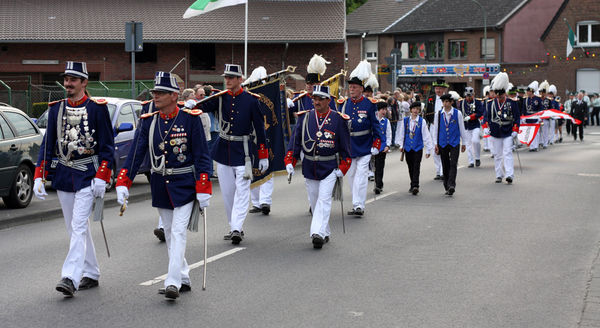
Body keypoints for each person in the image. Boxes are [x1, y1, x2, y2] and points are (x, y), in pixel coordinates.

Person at [115, 71, 212, 300]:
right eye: (154, 92)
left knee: (178, 231)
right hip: (160, 183)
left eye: (160, 93)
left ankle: (172, 282)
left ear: (174, 95)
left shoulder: (190, 119)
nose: (155, 96)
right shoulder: (149, 122)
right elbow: (136, 155)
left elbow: (202, 156)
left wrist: (204, 185)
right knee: (169, 232)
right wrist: (123, 181)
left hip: (185, 184)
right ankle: (184, 276)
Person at [34, 61, 114, 297]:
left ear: (84, 83)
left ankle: (70, 276)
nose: (68, 84)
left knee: (78, 225)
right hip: (64, 175)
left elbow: (107, 147)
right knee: (74, 227)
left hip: (88, 175)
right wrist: (40, 175)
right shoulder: (56, 108)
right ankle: (91, 271)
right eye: (66, 79)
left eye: (73, 80)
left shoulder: (97, 108)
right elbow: (48, 145)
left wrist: (102, 176)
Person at [195, 64, 268, 244]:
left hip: (243, 153)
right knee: (228, 193)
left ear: (240, 79)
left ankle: (236, 227)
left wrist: (263, 154)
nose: (227, 80)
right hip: (223, 151)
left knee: (242, 191)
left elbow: (260, 129)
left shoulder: (252, 100)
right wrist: (189, 105)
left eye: (231, 77)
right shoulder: (220, 98)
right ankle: (234, 226)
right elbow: (200, 108)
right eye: (226, 77)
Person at [284, 85, 351, 248]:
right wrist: (289, 162)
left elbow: (346, 148)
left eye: (320, 98)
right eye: (314, 98)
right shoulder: (304, 118)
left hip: (329, 167)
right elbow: (295, 143)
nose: (316, 102)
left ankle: (317, 233)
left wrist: (343, 168)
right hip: (310, 166)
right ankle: (325, 230)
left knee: (324, 199)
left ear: (328, 100)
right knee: (314, 201)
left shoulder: (338, 119)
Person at [336, 60, 384, 217]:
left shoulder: (369, 104)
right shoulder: (344, 104)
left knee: (361, 177)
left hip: (364, 146)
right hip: (349, 148)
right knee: (351, 177)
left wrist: (377, 144)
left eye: (354, 87)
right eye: (350, 87)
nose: (351, 89)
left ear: (361, 89)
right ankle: (356, 202)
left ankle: (358, 205)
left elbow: (376, 126)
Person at [482, 72, 520, 184]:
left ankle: (509, 175)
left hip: (508, 132)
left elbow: (517, 118)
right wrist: (485, 127)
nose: (499, 98)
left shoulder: (512, 103)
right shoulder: (490, 103)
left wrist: (515, 130)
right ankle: (499, 174)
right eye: (497, 96)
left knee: (507, 153)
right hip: (495, 132)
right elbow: (486, 117)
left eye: (501, 96)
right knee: (497, 155)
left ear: (505, 94)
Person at [431, 94, 467, 196]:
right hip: (442, 142)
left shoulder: (457, 113)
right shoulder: (438, 114)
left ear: (451, 102)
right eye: (444, 102)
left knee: (453, 163)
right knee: (445, 164)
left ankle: (451, 185)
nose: (445, 104)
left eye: (447, 102)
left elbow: (462, 128)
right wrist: (435, 143)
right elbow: (436, 129)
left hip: (454, 142)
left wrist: (464, 142)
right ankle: (446, 185)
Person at [396, 101, 433, 195]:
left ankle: (415, 185)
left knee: (416, 166)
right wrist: (401, 145)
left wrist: (428, 149)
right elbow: (401, 133)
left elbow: (426, 135)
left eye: (418, 109)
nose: (416, 111)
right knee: (410, 166)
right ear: (410, 110)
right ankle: (412, 184)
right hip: (408, 147)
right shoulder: (405, 120)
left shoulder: (422, 121)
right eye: (414, 109)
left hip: (418, 147)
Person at [424, 79, 448, 180]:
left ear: (444, 89)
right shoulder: (430, 98)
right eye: (436, 88)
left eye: (440, 88)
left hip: (444, 127)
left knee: (443, 147)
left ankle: (443, 171)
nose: (438, 90)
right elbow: (426, 111)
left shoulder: (448, 99)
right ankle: (438, 171)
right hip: (433, 126)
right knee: (434, 148)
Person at [457, 87, 484, 167]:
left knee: (475, 141)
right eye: (467, 96)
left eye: (470, 96)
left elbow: (480, 112)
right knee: (468, 144)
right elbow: (459, 112)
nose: (469, 97)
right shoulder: (461, 102)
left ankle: (477, 158)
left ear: (473, 95)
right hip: (466, 126)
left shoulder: (478, 102)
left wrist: (472, 116)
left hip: (475, 124)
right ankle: (471, 161)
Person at [373, 101, 391, 194]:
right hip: (372, 147)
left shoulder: (386, 122)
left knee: (380, 167)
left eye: (385, 109)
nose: (384, 111)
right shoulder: (373, 120)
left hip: (382, 147)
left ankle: (378, 185)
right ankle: (376, 181)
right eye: (382, 109)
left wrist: (387, 145)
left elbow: (389, 135)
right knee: (373, 167)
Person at [522, 81, 543, 151]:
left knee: (536, 133)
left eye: (528, 91)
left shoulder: (538, 99)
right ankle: (531, 146)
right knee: (530, 133)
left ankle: (535, 146)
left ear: (532, 92)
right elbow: (524, 109)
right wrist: (524, 117)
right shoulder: (525, 99)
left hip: (535, 117)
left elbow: (541, 108)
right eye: (527, 91)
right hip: (528, 117)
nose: (527, 93)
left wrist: (539, 117)